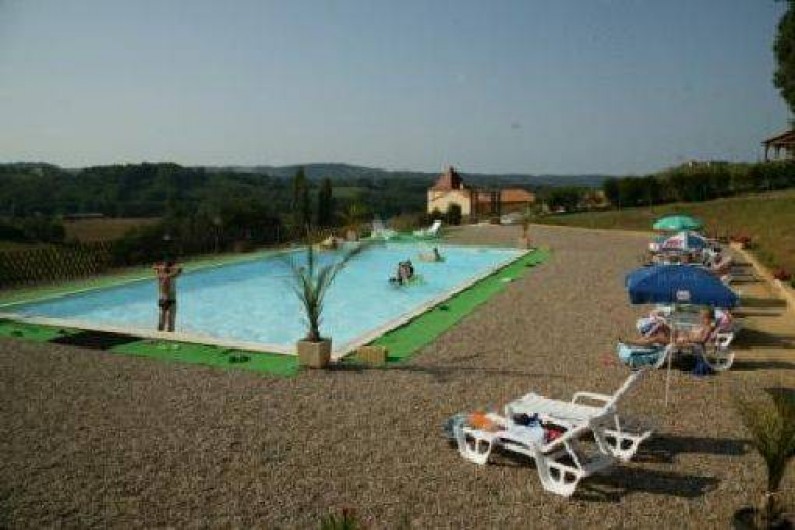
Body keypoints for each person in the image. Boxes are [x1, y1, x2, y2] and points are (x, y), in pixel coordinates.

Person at [154, 259, 183, 332]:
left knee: (162, 321)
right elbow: (179, 269)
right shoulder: (170, 276)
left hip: (163, 299)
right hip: (169, 300)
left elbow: (180, 269)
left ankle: (160, 334)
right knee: (170, 323)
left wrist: (158, 268)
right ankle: (167, 334)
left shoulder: (160, 275)